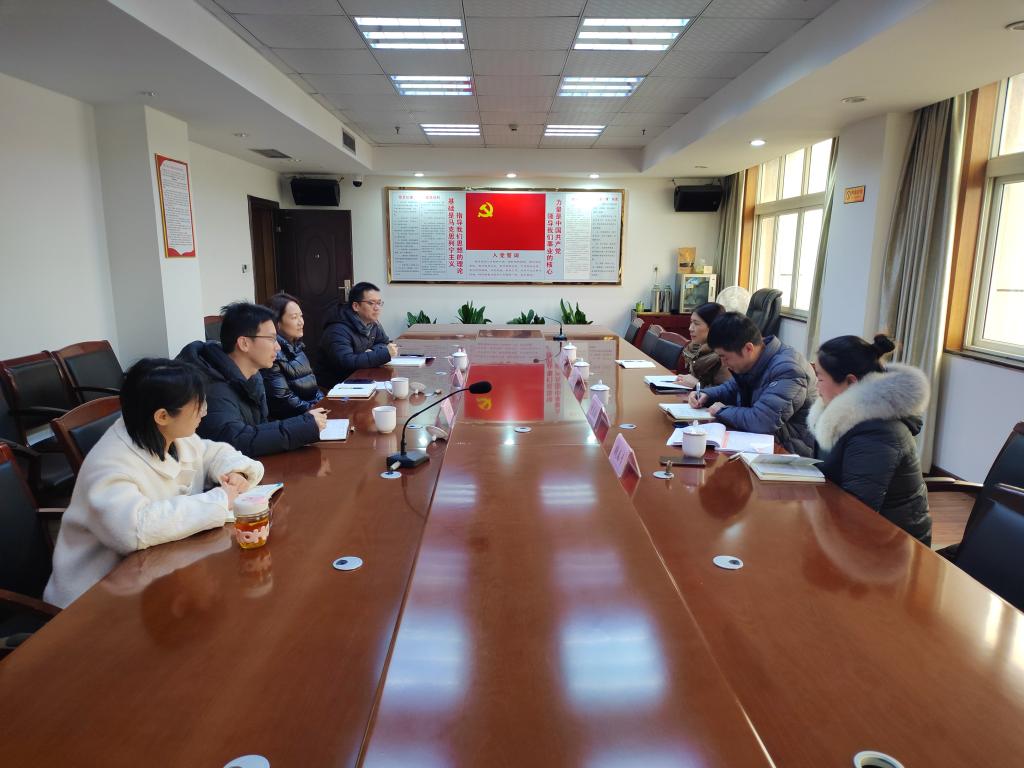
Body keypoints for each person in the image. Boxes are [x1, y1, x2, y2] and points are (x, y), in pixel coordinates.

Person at [43, 359, 264, 608]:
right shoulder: (109, 464)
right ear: (162, 416)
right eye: (198, 405)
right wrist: (220, 499)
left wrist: (235, 471)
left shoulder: (167, 433)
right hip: (94, 599)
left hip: (156, 574)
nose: (204, 412)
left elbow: (211, 452)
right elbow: (133, 530)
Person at [809, 334, 932, 544]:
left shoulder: (877, 433)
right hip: (851, 529)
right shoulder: (845, 419)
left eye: (820, 378)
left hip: (891, 547)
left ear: (850, 381)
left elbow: (857, 512)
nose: (816, 386)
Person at [178, 302, 326, 456]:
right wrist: (303, 426)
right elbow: (235, 441)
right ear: (244, 343)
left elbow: (258, 428)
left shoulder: (254, 375)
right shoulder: (212, 387)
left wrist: (304, 424)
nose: (278, 347)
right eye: (271, 339)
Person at [689, 312, 817, 456]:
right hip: (758, 444)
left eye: (724, 357)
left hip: (786, 453)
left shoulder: (788, 370)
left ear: (748, 348)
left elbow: (762, 421)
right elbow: (731, 388)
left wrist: (721, 411)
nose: (723, 363)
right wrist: (706, 395)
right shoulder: (756, 358)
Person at [318, 281, 398, 389]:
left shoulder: (372, 323)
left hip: (361, 378)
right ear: (356, 306)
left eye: (379, 303)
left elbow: (384, 343)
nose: (377, 308)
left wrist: (372, 352)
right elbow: (347, 362)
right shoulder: (337, 330)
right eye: (371, 303)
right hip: (337, 386)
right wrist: (380, 355)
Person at [261, 292, 324, 418]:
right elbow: (283, 398)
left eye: (301, 316)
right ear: (277, 323)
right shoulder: (272, 354)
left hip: (311, 414)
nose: (301, 322)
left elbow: (314, 389)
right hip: (294, 419)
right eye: (294, 317)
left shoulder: (297, 347)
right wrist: (314, 409)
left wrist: (323, 404)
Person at [676, 302, 730, 388]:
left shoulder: (724, 357)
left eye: (696, 323)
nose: (690, 328)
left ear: (713, 327)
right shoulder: (694, 348)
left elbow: (727, 392)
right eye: (691, 322)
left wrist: (697, 385)